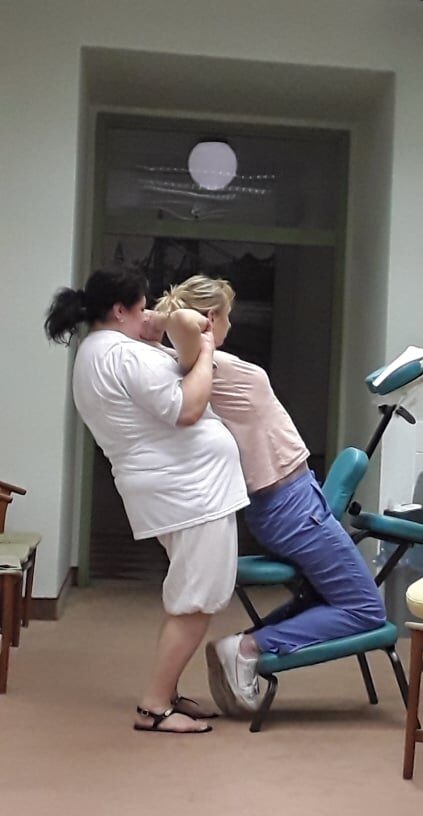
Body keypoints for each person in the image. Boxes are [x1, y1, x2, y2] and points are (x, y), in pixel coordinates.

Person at [154, 275, 386, 716]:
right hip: (290, 505)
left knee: (322, 597)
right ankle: (248, 648)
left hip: (294, 500)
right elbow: (181, 327)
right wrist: (196, 325)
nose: (230, 325)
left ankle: (243, 647)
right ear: (210, 319)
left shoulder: (206, 362)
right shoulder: (201, 361)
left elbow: (179, 329)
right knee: (366, 609)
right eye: (226, 316)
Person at [44, 267, 248, 734]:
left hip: (181, 491)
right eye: (141, 308)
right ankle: (154, 707)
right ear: (119, 310)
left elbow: (160, 380)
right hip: (190, 493)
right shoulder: (120, 354)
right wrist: (206, 351)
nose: (148, 316)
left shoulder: (102, 351)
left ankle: (167, 693)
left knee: (189, 596)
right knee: (195, 601)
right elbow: (188, 407)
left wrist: (159, 330)